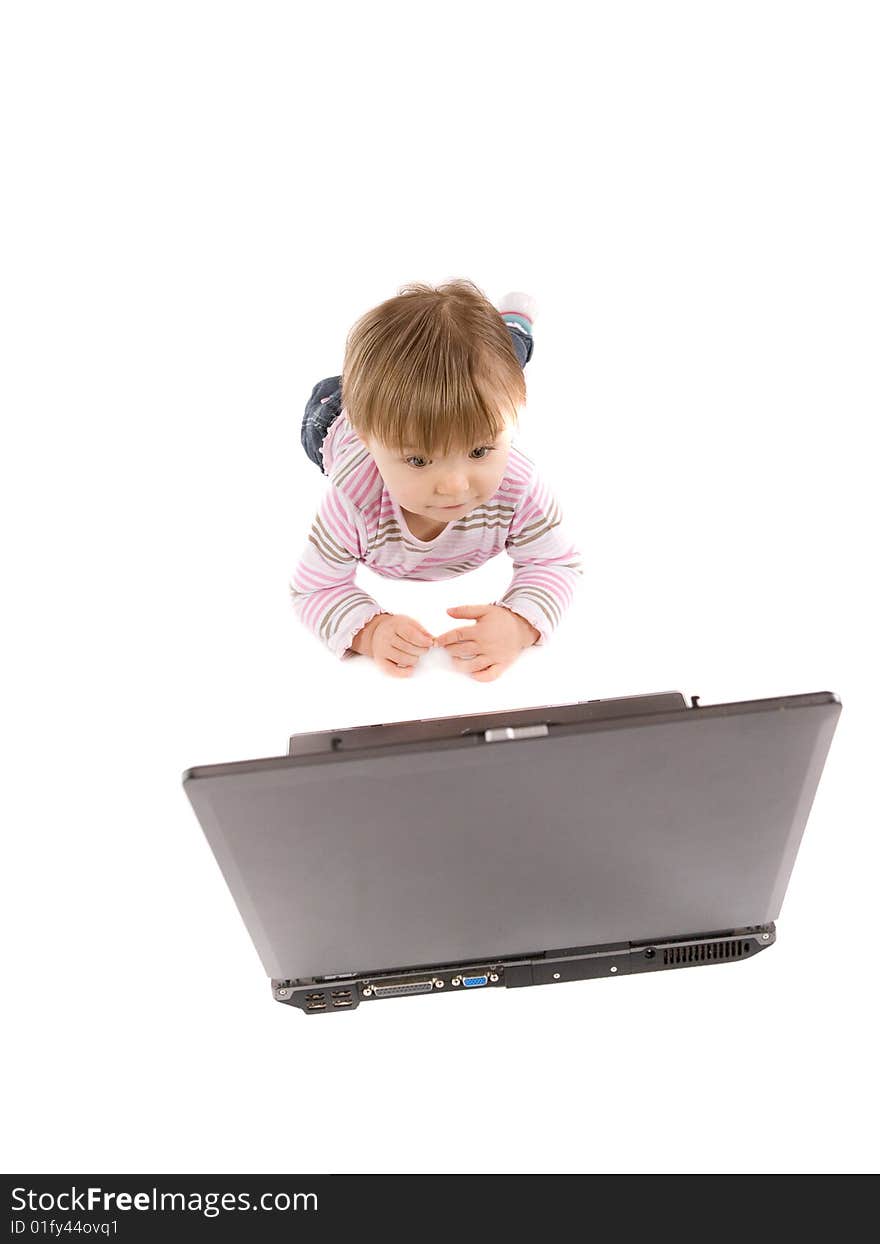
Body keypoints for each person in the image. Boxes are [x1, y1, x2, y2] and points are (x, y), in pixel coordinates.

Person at [291, 279, 583, 681]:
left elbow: (556, 562)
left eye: (480, 451)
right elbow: (314, 589)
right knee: (346, 398)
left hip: (462, 394)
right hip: (333, 414)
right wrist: (369, 632)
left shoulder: (519, 484)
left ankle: (513, 328)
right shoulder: (353, 499)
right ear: (368, 440)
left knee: (504, 360)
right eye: (418, 458)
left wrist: (519, 624)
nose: (455, 486)